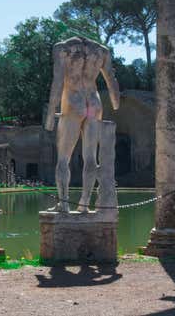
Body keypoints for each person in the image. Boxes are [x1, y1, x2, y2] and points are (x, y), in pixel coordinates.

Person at [44, 37, 120, 212]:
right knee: (91, 158)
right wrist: (116, 103)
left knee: (63, 159)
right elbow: (111, 80)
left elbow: (57, 82)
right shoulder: (101, 51)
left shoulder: (63, 48)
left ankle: (63, 203)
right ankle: (84, 203)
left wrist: (50, 114)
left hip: (73, 102)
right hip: (93, 103)